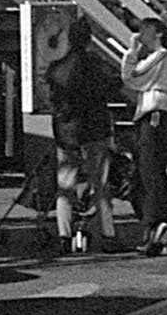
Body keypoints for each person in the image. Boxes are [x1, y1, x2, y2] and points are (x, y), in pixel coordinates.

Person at [119, 16, 167, 257]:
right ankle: (156, 225)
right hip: (161, 119)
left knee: (150, 174)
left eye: (145, 31)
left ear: (159, 34)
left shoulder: (161, 57)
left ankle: (157, 224)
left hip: (156, 118)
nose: (140, 36)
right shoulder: (165, 59)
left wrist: (131, 52)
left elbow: (131, 76)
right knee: (148, 174)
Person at [45, 16, 119, 253]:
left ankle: (64, 235)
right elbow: (115, 83)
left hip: (66, 131)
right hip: (95, 128)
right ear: (89, 40)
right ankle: (108, 234)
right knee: (101, 186)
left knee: (65, 186)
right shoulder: (97, 65)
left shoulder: (57, 67)